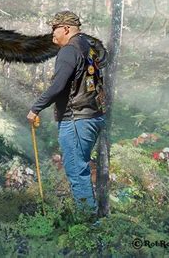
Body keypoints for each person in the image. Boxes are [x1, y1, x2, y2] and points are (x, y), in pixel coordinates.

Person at [27, 11, 108, 215]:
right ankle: (90, 219)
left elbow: (58, 86)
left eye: (54, 29)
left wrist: (35, 108)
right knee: (81, 168)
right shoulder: (89, 47)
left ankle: (88, 225)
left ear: (66, 28)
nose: (52, 35)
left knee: (76, 172)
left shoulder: (69, 50)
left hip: (76, 119)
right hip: (94, 116)